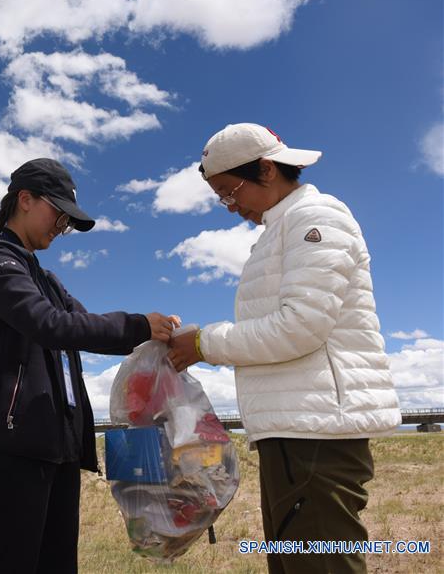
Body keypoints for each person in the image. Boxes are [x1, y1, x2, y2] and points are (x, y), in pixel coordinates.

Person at [167, 123, 401, 574]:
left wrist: (202, 343)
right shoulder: (281, 228)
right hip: (297, 427)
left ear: (268, 169)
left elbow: (301, 327)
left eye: (229, 191)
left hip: (316, 431)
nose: (230, 206)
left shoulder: (316, 218)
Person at [0, 158, 179, 573]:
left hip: (56, 449)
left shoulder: (46, 278)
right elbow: (50, 325)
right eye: (58, 213)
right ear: (25, 200)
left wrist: (155, 337)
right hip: (11, 450)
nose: (62, 226)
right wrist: (137, 325)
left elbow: (83, 327)